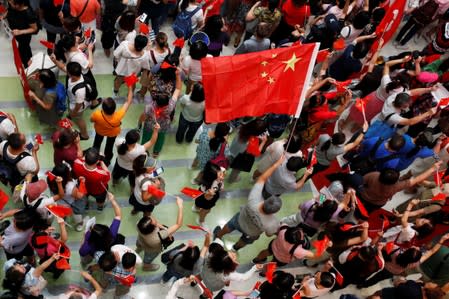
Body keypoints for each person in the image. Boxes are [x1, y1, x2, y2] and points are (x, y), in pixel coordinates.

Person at [214, 156, 284, 251]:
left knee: (230, 225)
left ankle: (218, 235)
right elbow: (268, 234)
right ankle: (235, 248)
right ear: (275, 211)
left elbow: (262, 178)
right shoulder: (273, 223)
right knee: (245, 240)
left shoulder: (254, 199)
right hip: (251, 233)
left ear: (265, 201)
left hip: (240, 220)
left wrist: (276, 164)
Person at [358, 161, 442, 212]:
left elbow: (361, 182)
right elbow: (417, 179)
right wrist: (432, 169)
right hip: (377, 203)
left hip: (363, 196)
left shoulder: (374, 175)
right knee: (367, 210)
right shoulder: (397, 186)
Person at [139, 67, 182, 157]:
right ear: (168, 101)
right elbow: (178, 89)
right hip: (164, 125)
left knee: (146, 137)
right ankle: (156, 151)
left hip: (150, 125)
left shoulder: (149, 107)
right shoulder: (171, 106)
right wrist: (178, 75)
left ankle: (143, 150)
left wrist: (139, 124)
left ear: (156, 101)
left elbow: (143, 117)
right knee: (161, 137)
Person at [136, 197, 183, 271]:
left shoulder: (139, 224)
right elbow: (178, 225)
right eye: (152, 219)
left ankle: (138, 250)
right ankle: (146, 266)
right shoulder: (158, 236)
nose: (152, 217)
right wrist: (180, 206)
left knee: (139, 245)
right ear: (153, 228)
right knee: (148, 258)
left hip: (140, 240)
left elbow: (155, 224)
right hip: (151, 250)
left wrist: (164, 229)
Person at [90, 86, 135, 166]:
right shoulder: (118, 116)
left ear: (103, 108)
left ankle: (94, 157)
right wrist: (130, 88)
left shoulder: (97, 114)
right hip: (113, 133)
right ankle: (107, 160)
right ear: (115, 108)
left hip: (99, 131)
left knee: (96, 144)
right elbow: (128, 102)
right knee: (109, 146)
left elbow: (91, 120)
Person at [79, 192, 121, 265]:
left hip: (91, 255)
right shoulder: (112, 234)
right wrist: (113, 200)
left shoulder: (88, 241)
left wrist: (84, 237)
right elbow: (118, 215)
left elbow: (82, 252)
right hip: (106, 254)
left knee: (85, 261)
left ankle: (84, 264)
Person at [48, 163, 86, 231]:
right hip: (70, 204)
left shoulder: (49, 179)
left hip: (58, 204)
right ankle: (80, 224)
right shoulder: (70, 186)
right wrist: (82, 183)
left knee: (62, 215)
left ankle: (64, 222)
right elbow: (79, 196)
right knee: (77, 216)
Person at [4, 0, 38, 67]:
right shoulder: (13, 7)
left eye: (12, 3)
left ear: (19, 5)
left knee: (23, 53)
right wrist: (4, 16)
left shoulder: (28, 13)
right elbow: (9, 11)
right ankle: (30, 62)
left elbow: (34, 29)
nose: (10, 4)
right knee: (26, 50)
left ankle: (28, 68)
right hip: (17, 35)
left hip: (24, 37)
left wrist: (20, 32)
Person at [192, 161, 225, 227]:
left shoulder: (210, 176)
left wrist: (221, 173)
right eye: (220, 175)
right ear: (212, 178)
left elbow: (222, 170)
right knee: (206, 210)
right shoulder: (211, 188)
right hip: (208, 198)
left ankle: (195, 208)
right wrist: (211, 194)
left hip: (200, 193)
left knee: (198, 203)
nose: (222, 176)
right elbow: (208, 198)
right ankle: (201, 221)